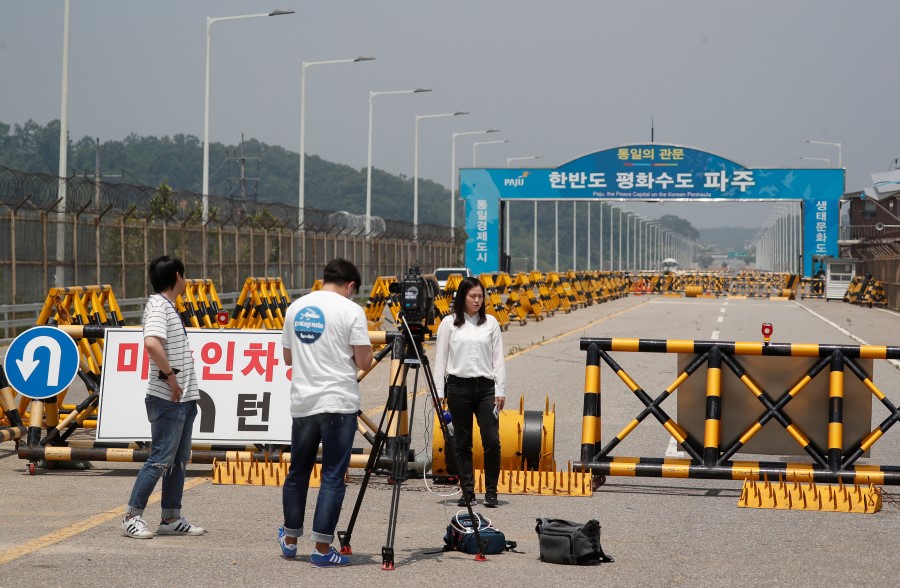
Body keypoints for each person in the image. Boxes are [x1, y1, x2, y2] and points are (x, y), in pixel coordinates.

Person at [278, 259, 373, 566]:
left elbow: (288, 357)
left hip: (303, 403)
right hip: (338, 404)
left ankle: (290, 540)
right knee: (332, 475)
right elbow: (364, 361)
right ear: (351, 286)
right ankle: (321, 549)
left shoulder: (297, 307)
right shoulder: (351, 310)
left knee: (298, 472)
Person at [122, 255, 205, 539]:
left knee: (177, 460)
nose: (186, 280)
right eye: (185, 275)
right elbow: (151, 343)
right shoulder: (159, 305)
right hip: (168, 397)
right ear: (178, 277)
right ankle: (132, 516)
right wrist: (170, 375)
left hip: (181, 398)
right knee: (160, 458)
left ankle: (171, 517)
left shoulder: (167, 306)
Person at [433, 276, 507, 508]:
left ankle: (492, 492)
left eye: (480, 296)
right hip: (458, 387)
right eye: (472, 296)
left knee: (491, 441)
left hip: (486, 388)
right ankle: (467, 491)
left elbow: (498, 359)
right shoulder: (449, 323)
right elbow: (440, 359)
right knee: (462, 442)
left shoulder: (491, 323)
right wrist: (438, 392)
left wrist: (500, 389)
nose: (477, 300)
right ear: (462, 298)